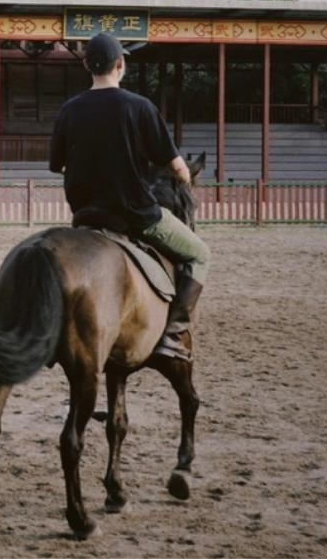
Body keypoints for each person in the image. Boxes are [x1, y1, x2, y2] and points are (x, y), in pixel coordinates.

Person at [48, 32, 208, 361]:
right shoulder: (139, 107)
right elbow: (176, 165)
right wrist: (185, 177)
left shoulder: (69, 110)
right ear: (120, 65)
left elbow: (58, 166)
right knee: (199, 254)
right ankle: (174, 336)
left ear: (86, 66)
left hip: (86, 217)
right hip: (136, 215)